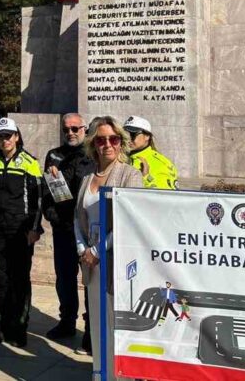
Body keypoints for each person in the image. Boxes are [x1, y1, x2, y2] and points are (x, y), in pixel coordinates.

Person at [75, 116, 143, 359]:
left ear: (121, 142)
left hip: (115, 259)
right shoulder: (87, 178)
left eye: (113, 139)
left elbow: (129, 220)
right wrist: (83, 249)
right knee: (97, 320)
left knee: (116, 322)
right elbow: (77, 218)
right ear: (94, 144)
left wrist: (96, 251)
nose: (107, 144)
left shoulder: (129, 175)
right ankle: (99, 372)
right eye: (101, 140)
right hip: (91, 262)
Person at [0, 117, 43, 348]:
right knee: (0, 280)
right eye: (1, 136)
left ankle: (20, 328)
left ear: (17, 137)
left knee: (19, 280)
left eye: (8, 136)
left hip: (20, 232)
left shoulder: (29, 162)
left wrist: (34, 228)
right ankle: (4, 327)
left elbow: (37, 199)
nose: (4, 140)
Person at [40, 112, 91, 340]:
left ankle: (91, 329)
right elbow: (47, 191)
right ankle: (66, 321)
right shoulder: (54, 155)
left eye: (75, 129)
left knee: (90, 280)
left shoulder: (92, 155)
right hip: (63, 228)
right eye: (66, 129)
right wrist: (52, 215)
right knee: (65, 278)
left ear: (85, 129)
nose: (70, 133)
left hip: (88, 230)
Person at [124, 116, 178, 190]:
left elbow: (164, 196)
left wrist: (146, 177)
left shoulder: (159, 163)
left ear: (147, 136)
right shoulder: (123, 157)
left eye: (133, 135)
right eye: (125, 134)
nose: (128, 139)